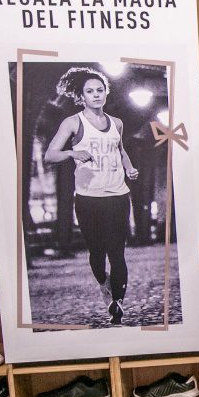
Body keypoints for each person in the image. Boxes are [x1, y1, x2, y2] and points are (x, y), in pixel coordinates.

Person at [44, 67, 139, 326]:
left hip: (118, 195)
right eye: (90, 91)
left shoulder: (116, 123)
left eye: (100, 90)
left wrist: (129, 168)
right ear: (81, 96)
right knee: (97, 252)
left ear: (106, 93)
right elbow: (50, 155)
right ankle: (104, 289)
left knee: (117, 252)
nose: (96, 95)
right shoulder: (73, 123)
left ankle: (117, 303)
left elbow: (121, 151)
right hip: (88, 199)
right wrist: (73, 153)